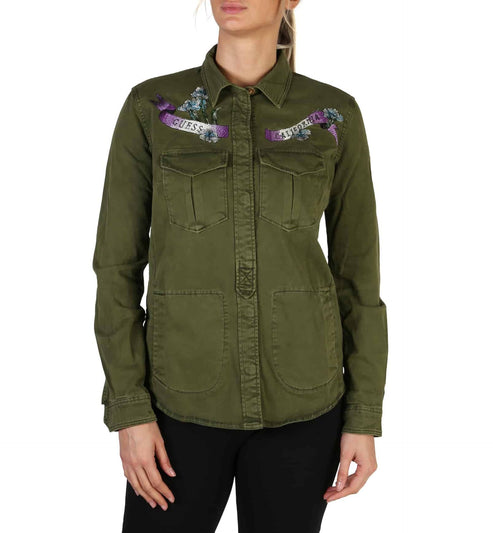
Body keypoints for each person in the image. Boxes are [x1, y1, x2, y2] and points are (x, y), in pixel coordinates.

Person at [92, 1, 389, 531]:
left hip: (305, 403)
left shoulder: (333, 114)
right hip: (178, 402)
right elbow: (116, 267)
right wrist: (130, 409)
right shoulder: (153, 107)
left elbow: (358, 278)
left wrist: (363, 415)